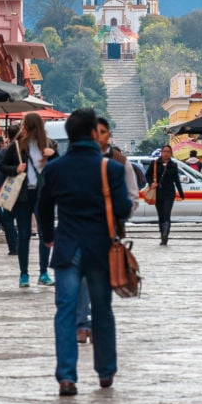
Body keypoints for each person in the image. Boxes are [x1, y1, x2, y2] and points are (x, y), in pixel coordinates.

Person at [37, 107, 131, 396]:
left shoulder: (54, 168)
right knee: (102, 310)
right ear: (93, 133)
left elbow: (43, 209)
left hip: (66, 247)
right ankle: (105, 371)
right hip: (100, 248)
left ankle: (66, 376)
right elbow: (125, 209)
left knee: (65, 310)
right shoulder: (110, 169)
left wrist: (49, 237)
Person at [75, 116, 138, 344]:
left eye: (102, 132)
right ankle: (82, 323)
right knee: (83, 278)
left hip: (109, 231)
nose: (97, 136)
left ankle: (98, 323)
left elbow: (132, 196)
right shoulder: (77, 160)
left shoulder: (121, 162)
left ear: (108, 135)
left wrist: (120, 216)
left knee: (101, 278)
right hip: (81, 229)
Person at [0, 112, 58, 287]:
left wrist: (53, 155)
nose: (22, 127)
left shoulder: (50, 145)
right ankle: (23, 274)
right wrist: (15, 169)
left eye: (25, 125)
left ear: (32, 126)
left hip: (43, 195)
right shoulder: (17, 146)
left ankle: (43, 273)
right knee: (24, 235)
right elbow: (2, 166)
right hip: (23, 196)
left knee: (44, 234)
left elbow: (59, 168)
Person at [144, 145, 186, 245]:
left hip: (169, 193)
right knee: (161, 215)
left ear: (171, 153)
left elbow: (176, 180)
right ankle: (162, 233)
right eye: (164, 151)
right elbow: (147, 174)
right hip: (158, 193)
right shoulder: (155, 163)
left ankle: (165, 236)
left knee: (167, 214)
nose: (166, 153)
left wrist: (181, 193)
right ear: (161, 152)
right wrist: (151, 183)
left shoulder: (173, 165)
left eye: (168, 152)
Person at [0, 126, 19, 255]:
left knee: (8, 219)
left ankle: (13, 246)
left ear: (8, 136)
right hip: (25, 190)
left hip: (9, 189)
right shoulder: (27, 149)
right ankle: (21, 245)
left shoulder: (5, 151)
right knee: (23, 220)